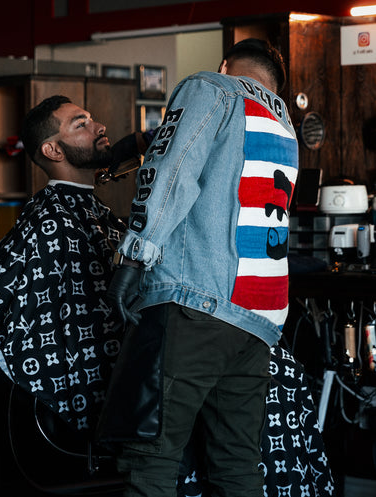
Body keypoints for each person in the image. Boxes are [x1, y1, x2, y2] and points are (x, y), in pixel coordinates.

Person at [107, 38, 299, 496]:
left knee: (149, 460)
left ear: (226, 65)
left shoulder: (209, 86)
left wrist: (135, 255)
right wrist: (140, 142)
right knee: (236, 466)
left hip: (196, 303)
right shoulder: (284, 125)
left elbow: (174, 168)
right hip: (258, 316)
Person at [0, 95, 139, 432]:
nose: (100, 127)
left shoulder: (94, 209)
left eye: (92, 119)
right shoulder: (48, 219)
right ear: (53, 151)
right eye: (80, 124)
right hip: (81, 379)